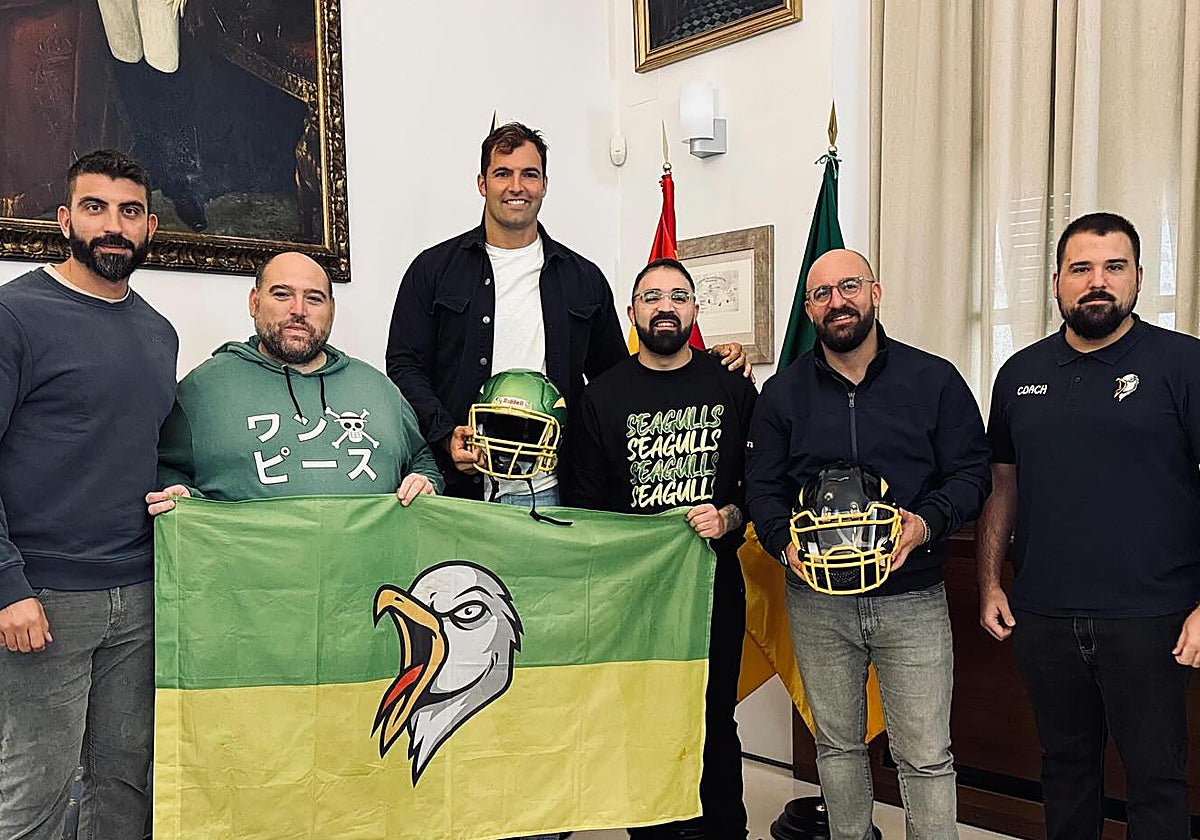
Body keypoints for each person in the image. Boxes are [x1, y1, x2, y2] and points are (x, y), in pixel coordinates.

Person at [745, 249, 991, 840]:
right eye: (823, 294)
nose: (838, 302)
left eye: (849, 286)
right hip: (817, 600)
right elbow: (762, 487)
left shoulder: (934, 379)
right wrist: (783, 545)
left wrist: (926, 522)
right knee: (836, 746)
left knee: (926, 754)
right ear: (809, 309)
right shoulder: (783, 393)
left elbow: (971, 473)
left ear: (874, 292)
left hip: (913, 596)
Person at [976, 212, 1200, 839]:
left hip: (1151, 619)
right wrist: (990, 582)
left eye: (1113, 267)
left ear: (1136, 278)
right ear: (1056, 282)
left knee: (1157, 782)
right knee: (1065, 773)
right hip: (1044, 617)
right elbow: (1003, 484)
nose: (1096, 282)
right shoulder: (1019, 373)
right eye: (1081, 269)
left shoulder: (1182, 364)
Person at [385, 121, 748, 506]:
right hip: (457, 485)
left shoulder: (583, 279)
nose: (516, 186)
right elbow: (404, 365)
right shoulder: (432, 270)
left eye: (529, 174)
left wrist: (703, 365)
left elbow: (617, 379)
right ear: (481, 183)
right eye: (502, 173)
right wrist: (444, 433)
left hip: (554, 486)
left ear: (544, 184)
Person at [0, 150, 178, 840]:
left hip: (139, 598)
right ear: (65, 217)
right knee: (33, 794)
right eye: (96, 208)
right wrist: (7, 584)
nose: (113, 225)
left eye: (129, 211)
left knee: (124, 787)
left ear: (151, 226)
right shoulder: (16, 316)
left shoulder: (159, 332)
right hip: (43, 601)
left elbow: (145, 450)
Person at [565, 258, 758, 839]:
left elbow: (760, 489)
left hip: (713, 587)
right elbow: (587, 508)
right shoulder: (601, 397)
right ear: (633, 314)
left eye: (678, 296)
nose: (665, 306)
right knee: (642, 717)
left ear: (696, 309)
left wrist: (728, 516)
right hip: (635, 596)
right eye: (651, 297)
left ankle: (725, 830)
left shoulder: (731, 387)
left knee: (714, 717)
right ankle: (650, 828)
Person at [147, 252, 441, 513]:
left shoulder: (380, 389)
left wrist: (425, 482)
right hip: (251, 573)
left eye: (314, 298)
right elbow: (162, 466)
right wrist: (182, 496)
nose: (299, 310)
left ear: (331, 310)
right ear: (254, 302)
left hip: (369, 573)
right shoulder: (203, 389)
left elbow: (422, 459)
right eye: (282, 294)